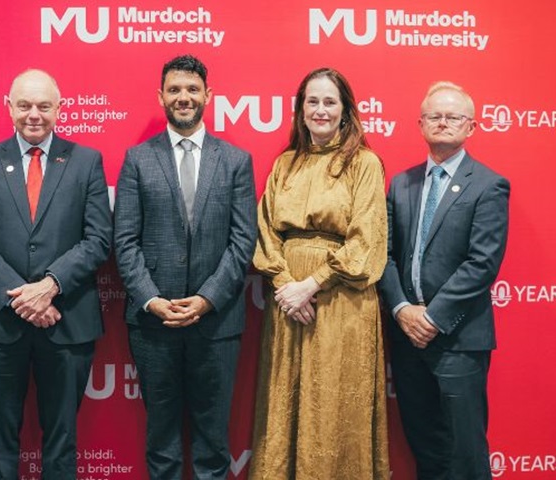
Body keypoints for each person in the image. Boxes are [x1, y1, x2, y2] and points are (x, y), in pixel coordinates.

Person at [0, 69, 112, 480]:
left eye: (44, 106)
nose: (34, 115)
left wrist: (49, 287)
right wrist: (22, 299)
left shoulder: (86, 161)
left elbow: (99, 239)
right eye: (24, 105)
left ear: (60, 109)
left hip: (66, 320)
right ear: (8, 107)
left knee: (62, 442)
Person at [114, 54, 257, 479]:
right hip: (153, 323)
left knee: (214, 441)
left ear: (208, 95)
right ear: (161, 96)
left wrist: (208, 299)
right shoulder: (138, 159)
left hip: (216, 323)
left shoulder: (235, 161)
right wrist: (152, 299)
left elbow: (242, 241)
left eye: (192, 89)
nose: (183, 97)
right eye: (174, 90)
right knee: (162, 439)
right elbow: (124, 241)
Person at [249, 67, 389, 480]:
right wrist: (285, 286)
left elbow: (366, 240)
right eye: (313, 101)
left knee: (332, 406)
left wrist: (310, 285)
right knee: (285, 404)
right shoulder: (285, 164)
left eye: (330, 102)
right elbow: (265, 231)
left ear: (345, 110)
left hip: (340, 302)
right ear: (300, 109)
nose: (321, 110)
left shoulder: (365, 164)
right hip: (287, 303)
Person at [378, 82, 510, 480]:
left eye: (453, 117)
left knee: (465, 451)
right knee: (426, 449)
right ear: (420, 124)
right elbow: (383, 256)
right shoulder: (401, 184)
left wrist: (431, 319)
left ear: (471, 127)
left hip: (458, 339)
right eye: (435, 116)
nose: (443, 123)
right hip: (407, 338)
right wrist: (402, 310)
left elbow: (482, 264)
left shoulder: (489, 185)